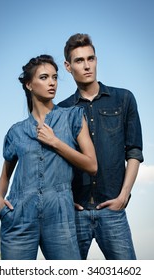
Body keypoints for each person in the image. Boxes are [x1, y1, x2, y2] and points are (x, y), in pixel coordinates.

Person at [0, 54, 97, 260]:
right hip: (19, 218)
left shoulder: (72, 116)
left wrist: (55, 142)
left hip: (60, 217)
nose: (52, 82)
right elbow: (5, 177)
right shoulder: (16, 131)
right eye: (44, 77)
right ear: (29, 85)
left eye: (55, 77)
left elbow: (92, 165)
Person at [58, 33, 144, 260]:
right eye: (79, 60)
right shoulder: (60, 110)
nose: (87, 66)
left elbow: (134, 151)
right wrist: (66, 200)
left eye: (91, 58)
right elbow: (56, 163)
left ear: (96, 59)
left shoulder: (124, 99)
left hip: (112, 210)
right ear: (68, 66)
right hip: (75, 213)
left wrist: (124, 196)